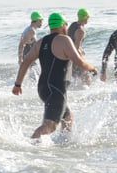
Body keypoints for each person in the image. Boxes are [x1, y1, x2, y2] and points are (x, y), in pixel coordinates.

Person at [10, 12, 96, 140]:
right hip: (56, 90)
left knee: (68, 117)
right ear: (62, 25)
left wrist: (17, 84)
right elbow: (79, 62)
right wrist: (92, 68)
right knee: (49, 126)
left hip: (43, 89)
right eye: (66, 25)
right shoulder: (64, 40)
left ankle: (63, 143)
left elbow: (25, 62)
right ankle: (30, 144)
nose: (67, 28)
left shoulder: (41, 42)